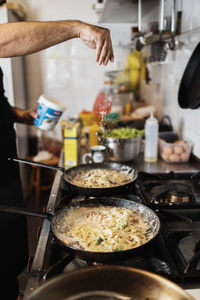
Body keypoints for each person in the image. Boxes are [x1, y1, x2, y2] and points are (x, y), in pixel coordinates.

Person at [0, 1, 114, 299]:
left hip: (4, 161)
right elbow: (4, 39)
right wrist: (77, 27)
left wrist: (17, 114)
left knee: (8, 256)